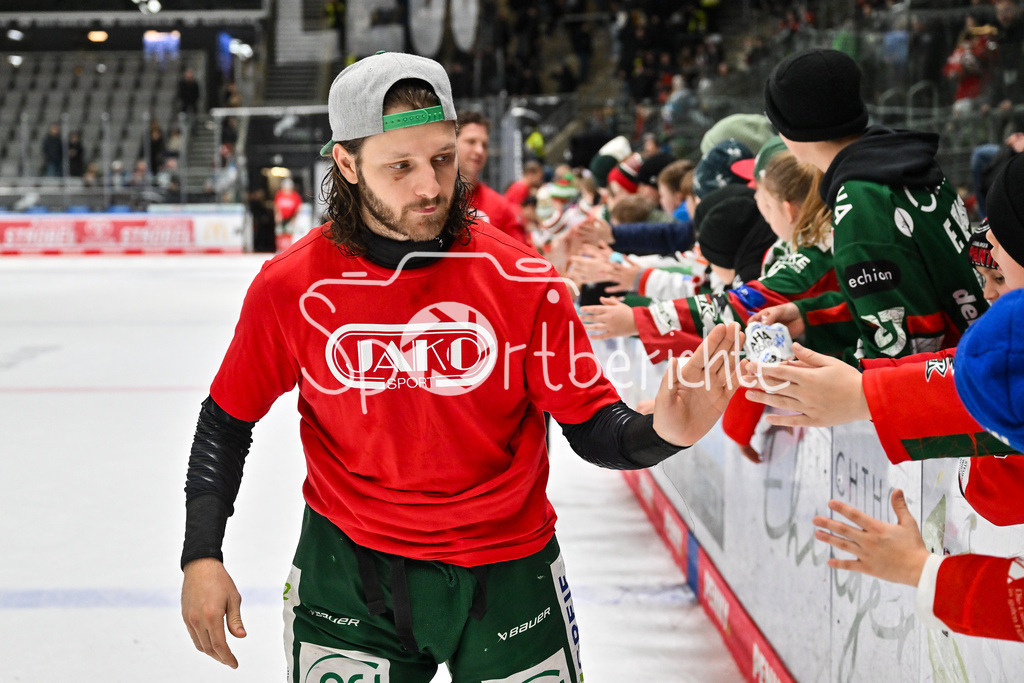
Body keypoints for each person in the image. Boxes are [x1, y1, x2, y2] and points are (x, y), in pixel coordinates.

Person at [179, 51, 744, 680]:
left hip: (510, 573)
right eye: (401, 166)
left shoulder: (523, 278)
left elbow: (592, 426)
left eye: (442, 159)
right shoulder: (291, 287)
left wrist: (663, 434)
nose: (430, 187)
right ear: (346, 163)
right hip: (349, 569)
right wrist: (201, 554)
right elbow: (226, 420)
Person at [760, 48, 987, 360]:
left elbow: (907, 346)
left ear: (793, 130)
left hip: (961, 386)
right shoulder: (905, 162)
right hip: (981, 356)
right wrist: (812, 317)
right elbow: (909, 294)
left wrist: (843, 394)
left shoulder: (861, 202)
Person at [456, 110, 530, 246]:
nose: (480, 151)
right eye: (471, 142)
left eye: (484, 145)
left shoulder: (501, 207)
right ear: (451, 144)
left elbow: (525, 258)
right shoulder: (432, 199)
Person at [273, 177, 302, 251]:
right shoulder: (279, 194)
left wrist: (294, 218)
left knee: (289, 232)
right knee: (279, 232)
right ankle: (279, 248)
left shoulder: (295, 196)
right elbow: (276, 206)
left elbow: (298, 208)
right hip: (282, 218)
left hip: (290, 218)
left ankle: (287, 249)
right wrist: (277, 214)